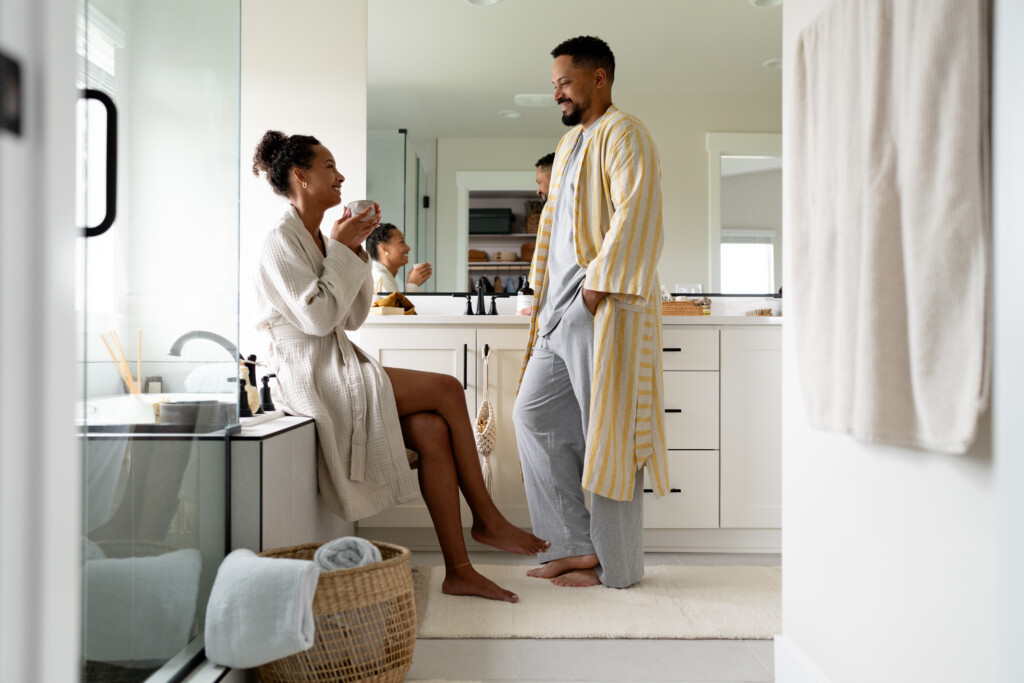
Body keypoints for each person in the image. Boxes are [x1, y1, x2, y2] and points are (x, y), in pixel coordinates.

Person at [251, 130, 548, 602]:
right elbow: (319, 318)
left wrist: (348, 250)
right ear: (301, 176)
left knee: (431, 430)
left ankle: (459, 569)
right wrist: (343, 250)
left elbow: (351, 317)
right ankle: (487, 517)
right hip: (309, 372)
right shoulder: (279, 241)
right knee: (449, 388)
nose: (341, 175)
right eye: (329, 167)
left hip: (333, 359)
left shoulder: (314, 238)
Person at [512, 36, 668, 589]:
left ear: (598, 78)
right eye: (554, 83)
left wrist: (595, 290)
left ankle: (618, 568)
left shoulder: (625, 133)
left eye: (565, 81)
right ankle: (575, 546)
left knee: (610, 438)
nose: (556, 92)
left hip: (599, 306)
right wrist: (544, 294)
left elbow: (637, 213)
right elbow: (556, 232)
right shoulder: (573, 144)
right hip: (558, 313)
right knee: (532, 416)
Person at [366, 222, 432, 293]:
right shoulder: (381, 279)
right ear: (384, 248)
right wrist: (412, 286)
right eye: (402, 242)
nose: (408, 248)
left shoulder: (383, 278)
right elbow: (395, 304)